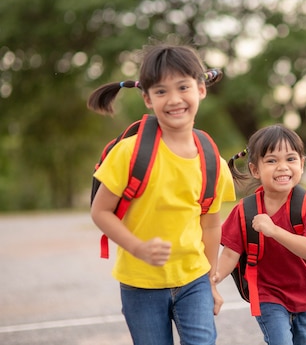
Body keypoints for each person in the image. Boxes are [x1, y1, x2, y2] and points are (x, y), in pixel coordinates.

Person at [88, 42, 236, 345]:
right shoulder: (129, 153)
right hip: (140, 284)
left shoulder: (213, 162)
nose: (174, 100)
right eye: (161, 91)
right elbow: (100, 211)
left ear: (201, 89)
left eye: (183, 87)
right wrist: (137, 247)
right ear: (147, 98)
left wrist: (210, 283)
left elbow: (210, 225)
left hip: (194, 280)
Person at [213, 124, 306, 345]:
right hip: (268, 294)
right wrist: (213, 278)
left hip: (304, 289)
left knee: (303, 341)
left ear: (302, 164)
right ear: (255, 170)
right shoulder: (245, 211)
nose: (282, 167)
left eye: (290, 159)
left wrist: (274, 231)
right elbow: (231, 254)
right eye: (271, 160)